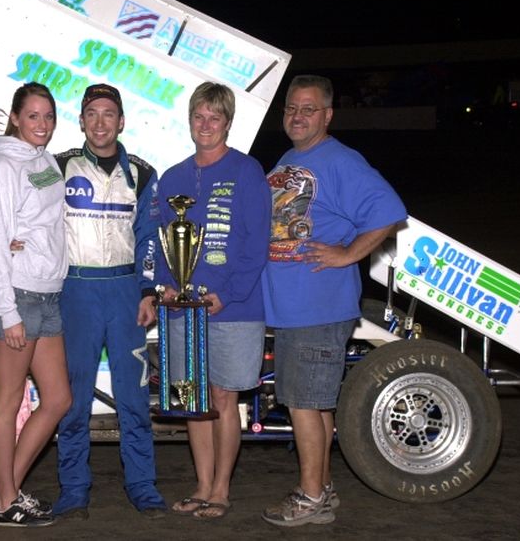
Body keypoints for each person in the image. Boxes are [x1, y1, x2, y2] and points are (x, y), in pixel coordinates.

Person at [260, 74, 407, 527]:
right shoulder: (290, 158)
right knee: (315, 405)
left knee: (305, 404)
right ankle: (321, 491)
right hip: (293, 307)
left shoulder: (340, 160)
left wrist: (347, 254)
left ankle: (308, 497)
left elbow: (387, 209)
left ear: (327, 115)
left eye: (308, 109)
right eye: (291, 108)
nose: (297, 116)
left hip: (317, 305)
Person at [156, 81, 272, 520]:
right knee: (193, 400)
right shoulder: (173, 177)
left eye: (214, 118)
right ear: (190, 120)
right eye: (198, 117)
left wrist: (228, 294)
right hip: (183, 309)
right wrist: (167, 286)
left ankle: (221, 489)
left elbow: (256, 243)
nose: (205, 125)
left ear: (227, 123)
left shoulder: (246, 171)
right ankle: (201, 485)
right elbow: (165, 243)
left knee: (224, 397)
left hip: (234, 308)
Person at [52, 83, 167, 519]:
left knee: (133, 397)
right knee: (73, 398)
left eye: (109, 114)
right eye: (92, 114)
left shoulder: (141, 173)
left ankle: (142, 485)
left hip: (124, 292)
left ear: (121, 122)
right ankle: (74, 488)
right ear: (81, 121)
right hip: (75, 290)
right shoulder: (57, 166)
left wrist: (147, 291)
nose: (100, 122)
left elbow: (148, 239)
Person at [0, 82, 72, 527]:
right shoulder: (2, 169)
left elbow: (46, 223)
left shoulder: (45, 161)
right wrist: (7, 309)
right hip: (19, 294)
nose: (42, 125)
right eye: (33, 116)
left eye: (48, 117)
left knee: (58, 399)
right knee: (9, 398)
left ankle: (4, 491)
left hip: (49, 292)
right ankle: (5, 501)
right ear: (15, 118)